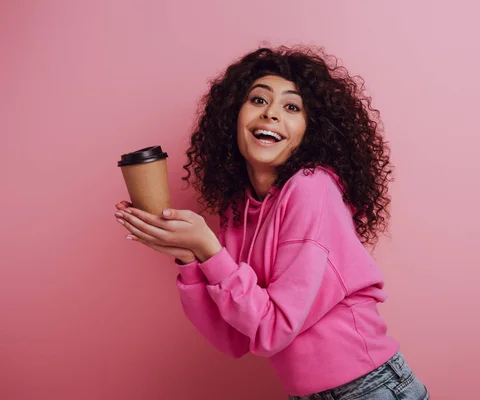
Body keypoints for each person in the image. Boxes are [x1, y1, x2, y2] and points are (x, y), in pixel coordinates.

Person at [114, 45, 429, 400]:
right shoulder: (238, 209)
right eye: (259, 101)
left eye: (291, 107)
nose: (271, 114)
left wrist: (208, 247)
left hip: (370, 389)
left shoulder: (312, 188)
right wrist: (191, 259)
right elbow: (233, 338)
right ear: (234, 116)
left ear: (310, 131)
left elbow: (272, 328)